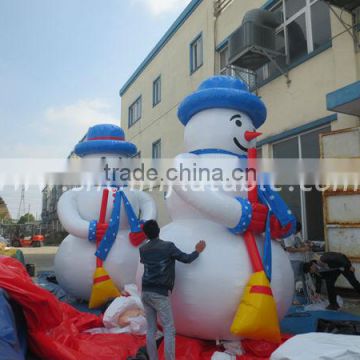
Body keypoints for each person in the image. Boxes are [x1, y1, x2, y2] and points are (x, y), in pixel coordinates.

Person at [139, 219, 206, 360]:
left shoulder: (143, 249)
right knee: (169, 328)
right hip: (159, 293)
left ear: (145, 235)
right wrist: (197, 251)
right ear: (158, 230)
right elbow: (186, 259)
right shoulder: (168, 247)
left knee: (151, 329)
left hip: (145, 292)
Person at [283, 222, 310, 290]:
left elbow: (301, 242)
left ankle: (302, 294)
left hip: (301, 259)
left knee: (302, 278)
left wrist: (306, 244)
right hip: (293, 260)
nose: (297, 233)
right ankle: (294, 297)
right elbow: (288, 249)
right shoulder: (287, 235)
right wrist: (302, 249)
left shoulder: (297, 232)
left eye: (298, 231)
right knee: (295, 279)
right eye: (296, 231)